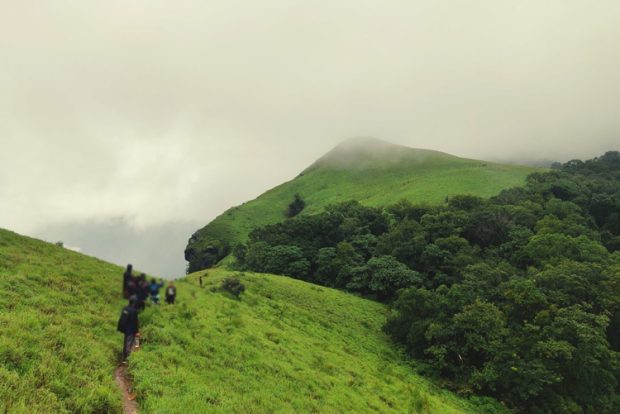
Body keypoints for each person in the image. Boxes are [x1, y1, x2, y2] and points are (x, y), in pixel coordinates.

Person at [117, 295, 139, 360]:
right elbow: (135, 322)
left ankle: (124, 356)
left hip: (125, 329)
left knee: (126, 341)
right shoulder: (134, 311)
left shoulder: (125, 308)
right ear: (134, 302)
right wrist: (137, 331)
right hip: (131, 329)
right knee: (129, 342)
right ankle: (127, 357)